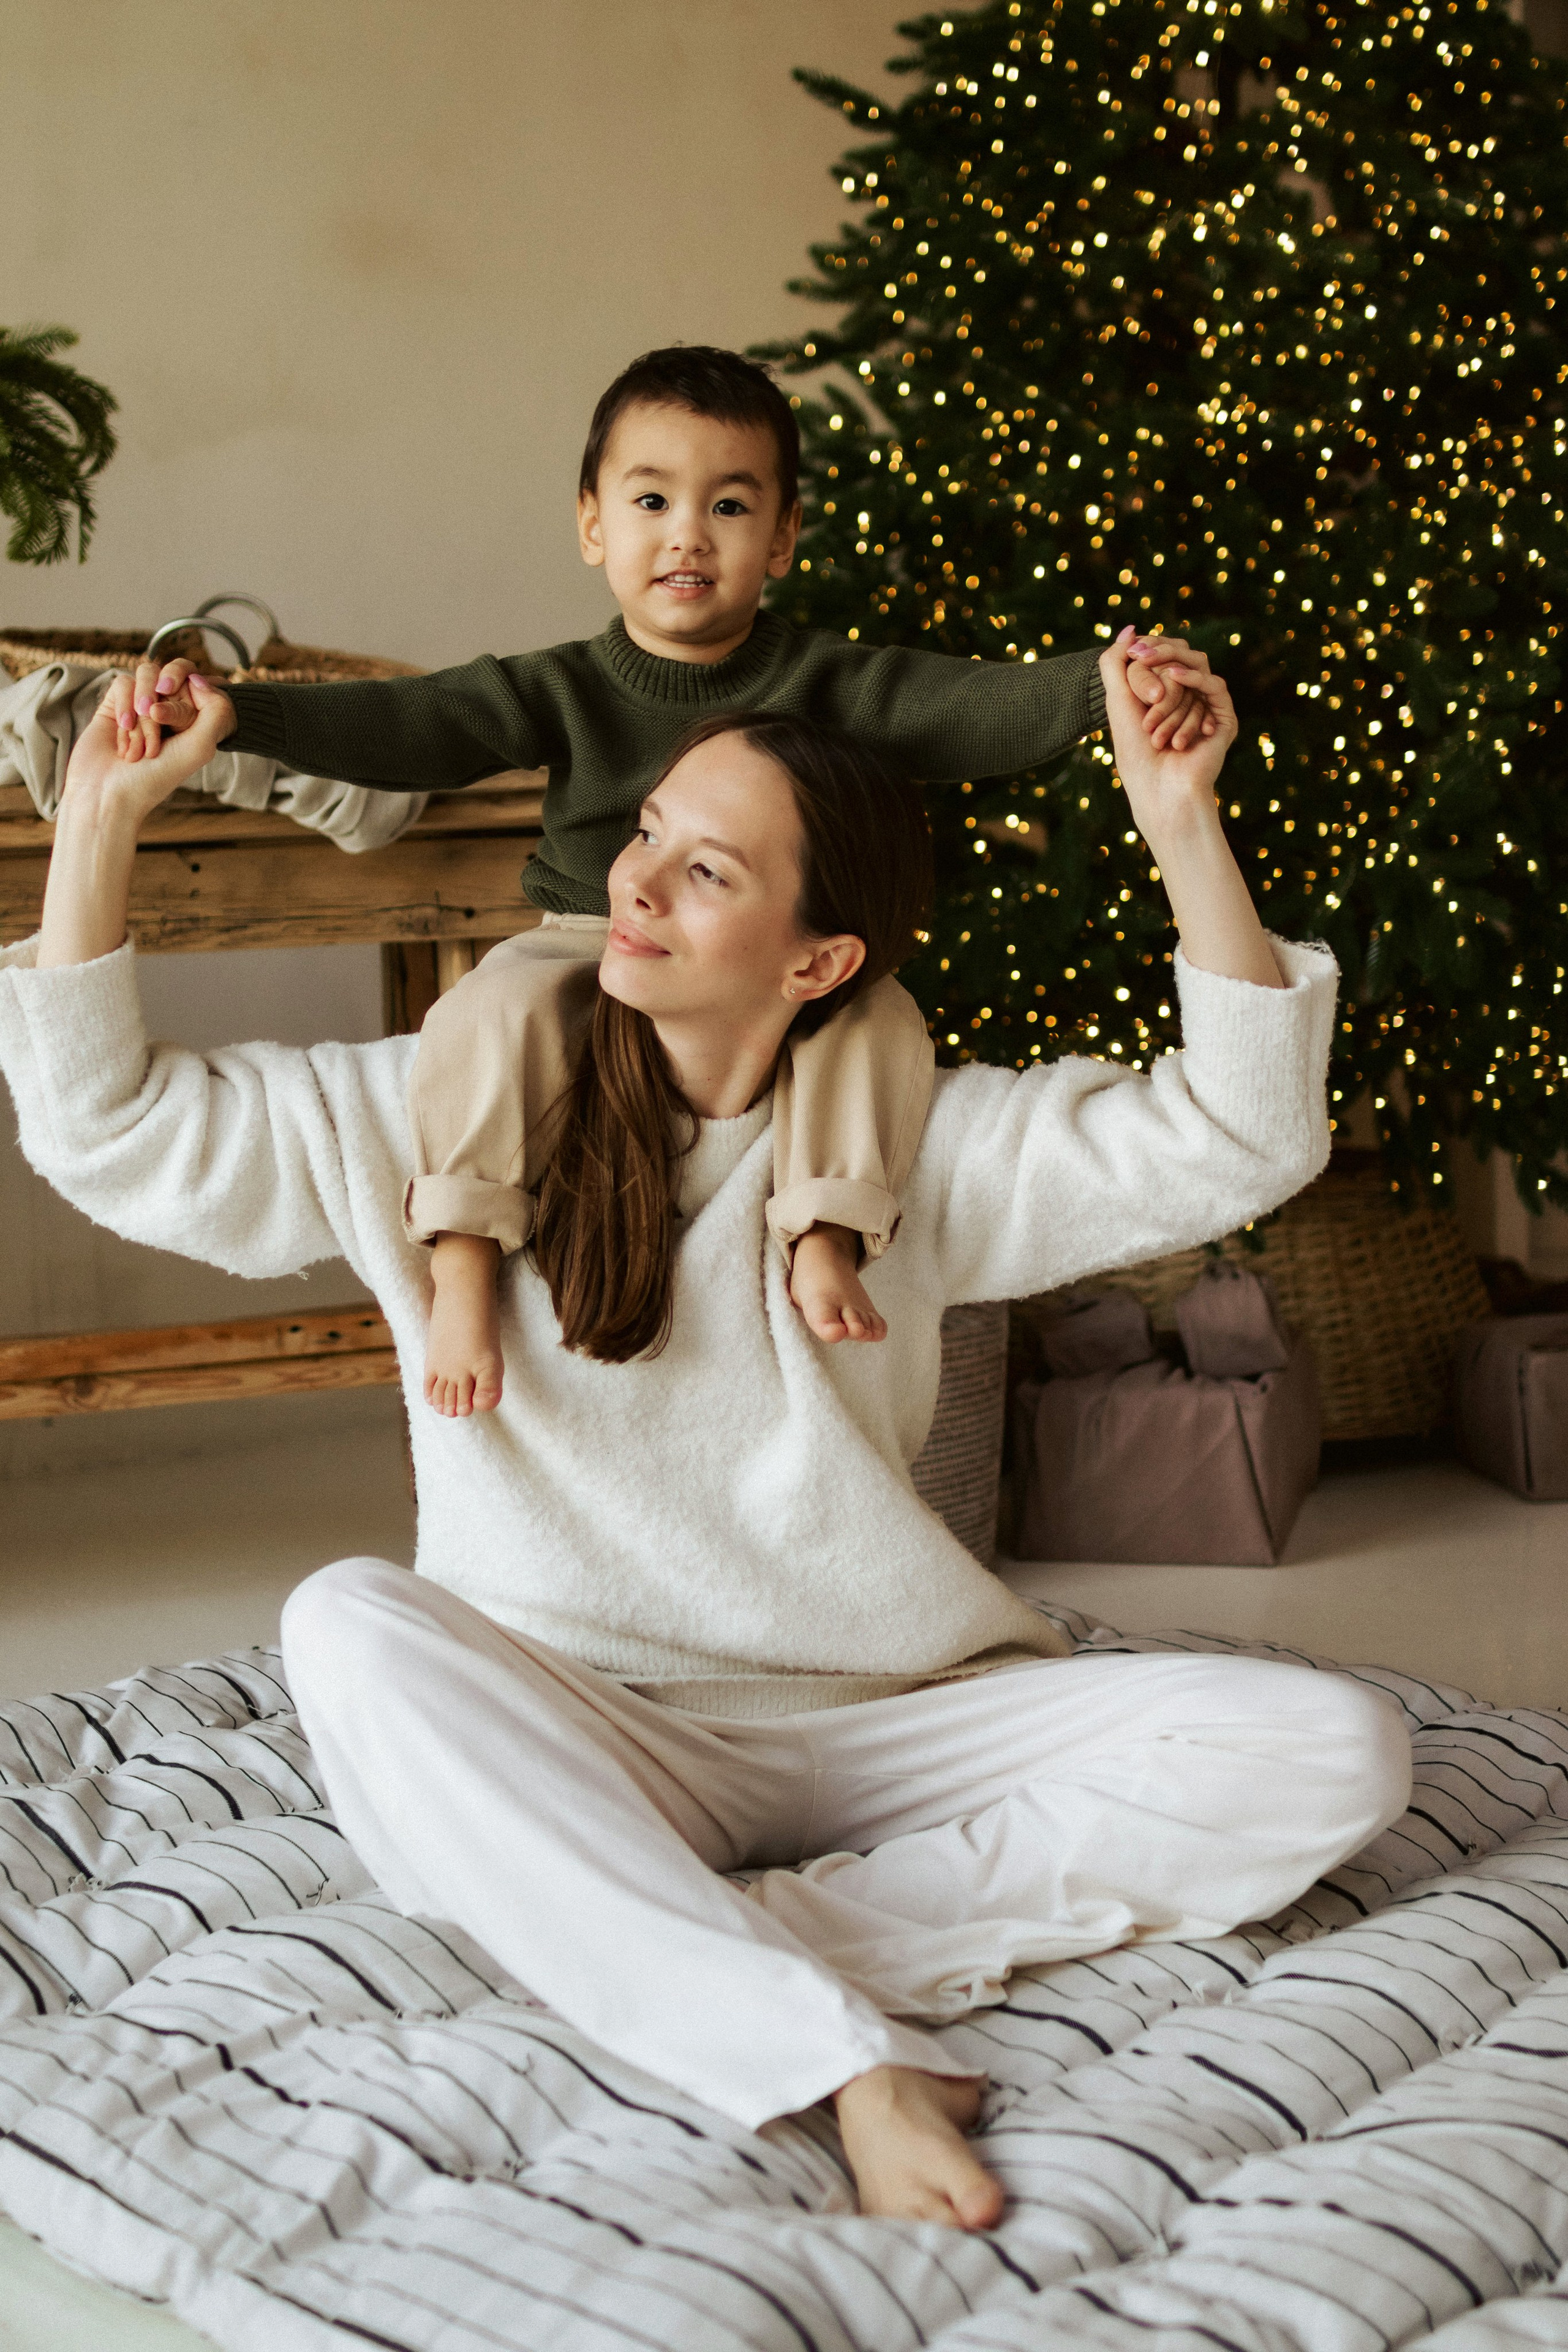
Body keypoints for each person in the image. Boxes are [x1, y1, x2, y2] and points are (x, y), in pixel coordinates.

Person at [1, 632, 1411, 2231]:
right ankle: (829, 2054)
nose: (642, 880)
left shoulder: (912, 1148)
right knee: (347, 1623)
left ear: (817, 961)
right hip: (587, 1722)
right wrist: (100, 822)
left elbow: (1239, 1134)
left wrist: (1181, 823)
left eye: (711, 869)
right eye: (650, 831)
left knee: (1330, 1749)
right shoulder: (434, 1102)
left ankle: (634, 1932)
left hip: (892, 1719)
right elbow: (114, 1134)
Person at [107, 345, 1231, 1417]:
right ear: (593, 523)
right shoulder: (561, 686)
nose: (687, 535)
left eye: (730, 507)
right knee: (488, 1010)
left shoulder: (829, 681)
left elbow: (967, 708)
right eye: (650, 502)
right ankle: (460, 1258)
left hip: (753, 965)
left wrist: (1103, 684)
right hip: (587, 939)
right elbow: (419, 722)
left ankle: (827, 1229)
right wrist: (242, 712)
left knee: (877, 1017)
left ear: (784, 537)